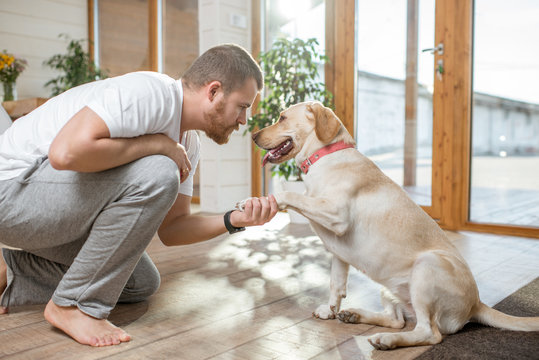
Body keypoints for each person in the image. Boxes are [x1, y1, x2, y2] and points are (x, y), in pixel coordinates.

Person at [0, 44, 278, 347]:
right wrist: (159, 145)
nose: (243, 121)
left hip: (43, 212)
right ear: (213, 92)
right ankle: (73, 306)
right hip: (12, 192)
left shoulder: (189, 142)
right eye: (243, 106)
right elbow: (65, 153)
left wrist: (234, 219)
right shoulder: (151, 94)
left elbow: (173, 229)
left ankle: (9, 270)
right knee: (159, 170)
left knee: (139, 282)